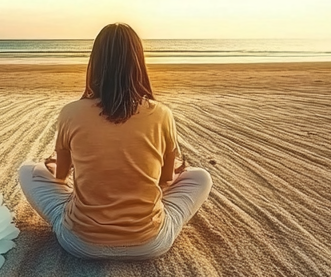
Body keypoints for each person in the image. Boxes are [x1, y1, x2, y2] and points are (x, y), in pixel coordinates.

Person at [18, 23, 212, 260]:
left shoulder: (71, 112)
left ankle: (86, 208)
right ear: (139, 64)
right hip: (150, 244)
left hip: (79, 243)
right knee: (200, 177)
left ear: (95, 63)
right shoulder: (162, 114)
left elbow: (60, 176)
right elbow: (165, 181)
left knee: (27, 170)